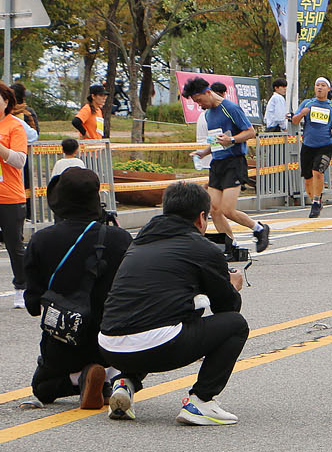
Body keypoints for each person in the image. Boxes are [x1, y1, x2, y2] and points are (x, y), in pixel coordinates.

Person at [98, 182, 250, 425]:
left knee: (158, 315)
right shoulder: (202, 248)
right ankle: (201, 402)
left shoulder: (139, 242)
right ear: (201, 217)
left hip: (110, 348)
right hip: (158, 346)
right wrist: (230, 285)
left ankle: (125, 383)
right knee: (235, 325)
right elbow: (227, 308)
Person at [20, 168, 134, 410]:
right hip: (112, 342)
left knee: (43, 387)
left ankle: (79, 378)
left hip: (63, 342)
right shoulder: (120, 239)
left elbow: (32, 305)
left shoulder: (42, 240)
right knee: (136, 357)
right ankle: (116, 380)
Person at [182, 77, 271, 256]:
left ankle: (259, 229)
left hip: (234, 162)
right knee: (214, 209)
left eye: (200, 100)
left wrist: (232, 139)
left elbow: (251, 132)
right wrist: (203, 152)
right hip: (217, 163)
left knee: (227, 209)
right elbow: (216, 141)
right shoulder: (208, 114)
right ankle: (231, 245)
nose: (200, 105)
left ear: (208, 92)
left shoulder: (230, 108)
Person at [288, 76, 332, 218]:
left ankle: (315, 202)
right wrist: (302, 113)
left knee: (318, 172)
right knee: (308, 177)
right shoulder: (308, 103)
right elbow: (294, 120)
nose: (319, 88)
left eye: (323, 85)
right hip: (308, 144)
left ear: (328, 89)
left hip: (325, 144)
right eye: (317, 85)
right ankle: (315, 200)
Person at [0, 83, 29, 307]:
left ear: (6, 101)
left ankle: (21, 287)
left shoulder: (15, 126)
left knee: (14, 245)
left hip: (9, 196)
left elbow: (19, 160)